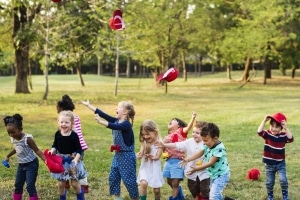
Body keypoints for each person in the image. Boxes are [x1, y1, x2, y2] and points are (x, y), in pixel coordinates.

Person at [80, 100, 139, 200]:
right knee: (113, 177)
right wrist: (88, 105)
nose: (116, 109)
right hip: (117, 156)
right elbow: (102, 113)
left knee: (129, 180)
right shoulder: (116, 120)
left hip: (127, 157)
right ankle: (117, 198)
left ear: (125, 112)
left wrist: (100, 122)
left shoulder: (126, 125)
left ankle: (135, 198)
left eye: (118, 107)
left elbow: (114, 126)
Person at [180, 122, 234, 200]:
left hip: (221, 175)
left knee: (213, 196)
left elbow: (210, 163)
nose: (204, 143)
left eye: (206, 140)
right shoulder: (207, 144)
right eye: (203, 140)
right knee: (214, 194)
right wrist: (188, 159)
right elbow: (200, 153)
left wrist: (196, 169)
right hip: (213, 174)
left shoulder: (219, 148)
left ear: (215, 138)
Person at [157, 121, 210, 200]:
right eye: (193, 132)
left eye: (197, 133)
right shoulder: (189, 142)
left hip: (204, 172)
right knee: (193, 189)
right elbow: (177, 145)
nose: (194, 134)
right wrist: (164, 145)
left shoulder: (206, 143)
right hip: (191, 172)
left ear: (204, 134)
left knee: (205, 190)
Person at [3, 114, 46, 200]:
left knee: (30, 185)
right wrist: (8, 156)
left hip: (31, 164)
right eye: (9, 133)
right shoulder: (13, 138)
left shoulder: (28, 139)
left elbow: (37, 150)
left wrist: (46, 160)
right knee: (18, 185)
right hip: (21, 165)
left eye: (13, 132)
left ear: (20, 129)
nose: (11, 135)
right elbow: (17, 148)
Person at [49, 110, 86, 200]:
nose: (64, 124)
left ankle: (80, 197)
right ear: (58, 122)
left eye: (66, 122)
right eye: (61, 122)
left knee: (74, 183)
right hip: (61, 161)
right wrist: (52, 150)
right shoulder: (57, 134)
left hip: (73, 161)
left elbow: (79, 149)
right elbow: (55, 145)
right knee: (61, 184)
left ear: (72, 123)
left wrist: (76, 159)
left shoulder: (74, 135)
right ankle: (62, 198)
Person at [56, 94, 89, 193]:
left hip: (74, 147)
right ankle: (82, 185)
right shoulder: (76, 117)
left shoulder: (67, 120)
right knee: (77, 165)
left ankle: (76, 184)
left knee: (75, 166)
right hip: (80, 145)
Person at [257, 113, 293, 200]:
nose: (273, 129)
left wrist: (286, 128)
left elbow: (291, 138)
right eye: (272, 126)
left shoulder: (283, 136)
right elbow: (259, 132)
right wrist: (264, 121)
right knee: (269, 182)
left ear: (281, 128)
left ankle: (285, 195)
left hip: (280, 163)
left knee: (283, 180)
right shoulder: (268, 134)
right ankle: (270, 195)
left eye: (276, 127)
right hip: (269, 164)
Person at [162, 112, 197, 200]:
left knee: (175, 182)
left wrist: (192, 118)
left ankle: (173, 198)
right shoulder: (167, 136)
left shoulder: (180, 132)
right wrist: (164, 155)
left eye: (173, 121)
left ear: (179, 126)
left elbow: (188, 128)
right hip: (168, 161)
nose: (170, 121)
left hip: (177, 161)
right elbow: (163, 150)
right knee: (169, 181)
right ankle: (179, 194)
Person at [136, 119, 164, 200]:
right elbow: (141, 152)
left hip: (155, 168)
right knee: (143, 183)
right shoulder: (144, 142)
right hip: (145, 167)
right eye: (143, 135)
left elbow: (158, 156)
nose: (145, 137)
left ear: (155, 132)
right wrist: (139, 155)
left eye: (147, 134)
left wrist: (153, 157)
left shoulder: (159, 143)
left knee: (156, 190)